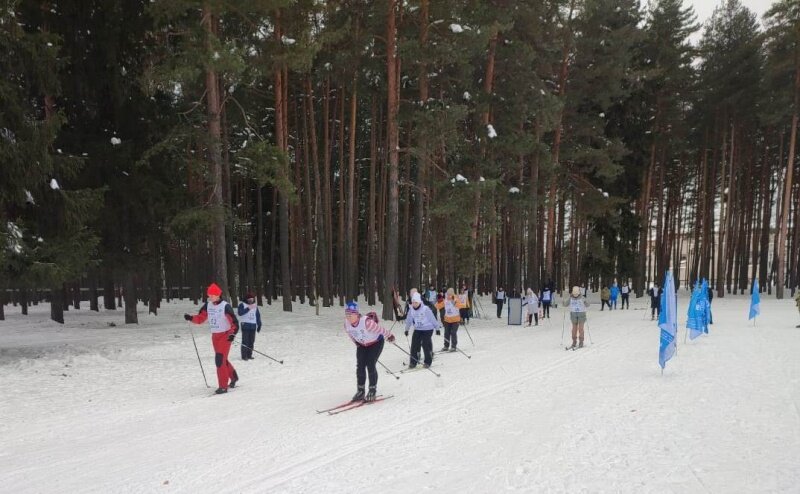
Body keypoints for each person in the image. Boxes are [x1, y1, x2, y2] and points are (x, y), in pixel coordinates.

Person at [184, 283, 240, 394]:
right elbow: (201, 318)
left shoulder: (225, 306)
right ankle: (233, 376)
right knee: (222, 359)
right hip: (215, 336)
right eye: (209, 295)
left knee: (219, 360)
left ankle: (223, 386)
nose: (210, 297)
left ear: (218, 295)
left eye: (212, 295)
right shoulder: (208, 305)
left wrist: (232, 334)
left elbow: (234, 322)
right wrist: (191, 318)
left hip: (225, 336)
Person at [344, 301, 395, 402]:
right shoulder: (346, 324)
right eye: (347, 314)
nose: (349, 316)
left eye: (351, 314)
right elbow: (351, 335)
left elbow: (381, 330)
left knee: (370, 364)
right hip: (362, 345)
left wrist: (390, 336)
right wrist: (357, 343)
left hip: (376, 343)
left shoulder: (367, 323)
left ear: (357, 314)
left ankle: (372, 390)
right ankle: (361, 390)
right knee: (360, 366)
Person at [404, 292, 441, 368]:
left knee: (425, 344)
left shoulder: (425, 309)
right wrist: (407, 329)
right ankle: (413, 362)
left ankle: (427, 362)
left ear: (420, 302)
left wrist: (437, 328)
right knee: (414, 344)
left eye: (416, 302)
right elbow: (409, 320)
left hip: (428, 329)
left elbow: (432, 319)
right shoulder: (411, 310)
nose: (414, 304)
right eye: (413, 302)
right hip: (418, 329)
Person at [237, 292, 262, 360]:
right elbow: (240, 313)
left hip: (253, 326)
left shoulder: (255, 306)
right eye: (249, 299)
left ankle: (249, 355)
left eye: (252, 299)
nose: (251, 300)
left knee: (251, 341)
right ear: (246, 299)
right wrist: (248, 308)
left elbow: (257, 316)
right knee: (245, 341)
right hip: (245, 325)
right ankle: (244, 356)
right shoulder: (242, 305)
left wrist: (259, 324)